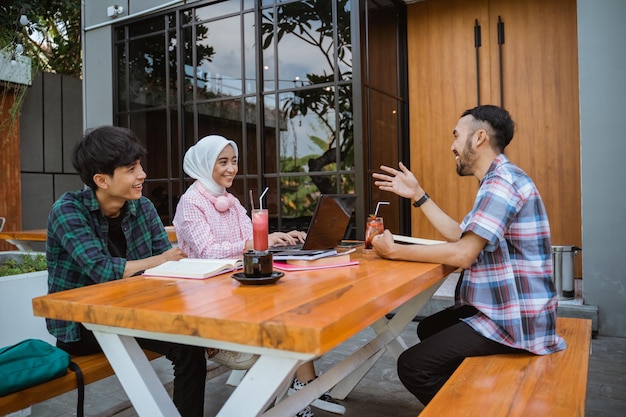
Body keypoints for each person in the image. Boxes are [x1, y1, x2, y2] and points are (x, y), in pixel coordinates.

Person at [371, 105, 566, 406]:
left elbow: (463, 254)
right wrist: (418, 194)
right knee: (428, 328)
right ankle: (474, 392)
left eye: (456, 135)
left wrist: (394, 251)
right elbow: (459, 235)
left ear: (478, 138)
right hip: (510, 310)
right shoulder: (497, 180)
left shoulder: (501, 183)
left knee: (413, 366)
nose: (452, 145)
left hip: (516, 321)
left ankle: (477, 408)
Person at [173, 135, 346, 417]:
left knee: (305, 310)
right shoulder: (191, 202)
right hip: (210, 303)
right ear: (205, 164)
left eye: (234, 161)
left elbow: (252, 238)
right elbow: (206, 251)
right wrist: (251, 244)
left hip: (242, 289)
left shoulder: (229, 199)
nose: (231, 168)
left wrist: (277, 238)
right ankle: (299, 391)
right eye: (223, 162)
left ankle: (301, 387)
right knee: (290, 323)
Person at [46, 126, 207, 417]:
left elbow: (171, 265)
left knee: (191, 345)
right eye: (131, 169)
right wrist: (156, 261)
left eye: (140, 166)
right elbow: (102, 269)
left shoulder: (142, 207)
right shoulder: (68, 211)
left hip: (134, 310)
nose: (142, 174)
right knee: (188, 345)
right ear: (102, 180)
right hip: (82, 324)